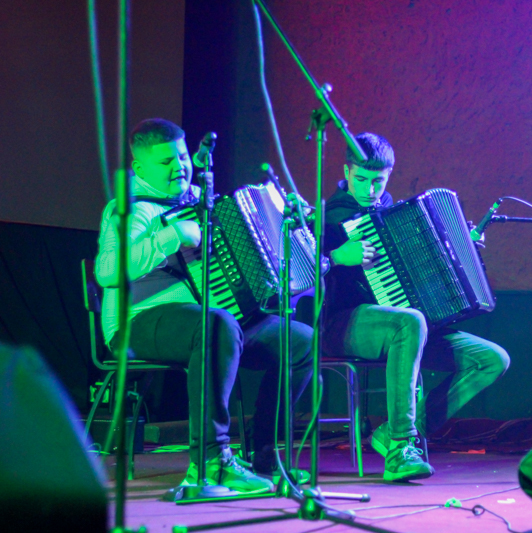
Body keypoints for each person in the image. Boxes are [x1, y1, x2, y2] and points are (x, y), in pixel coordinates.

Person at [95, 118, 312, 491]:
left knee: (303, 342)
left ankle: (263, 452)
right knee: (216, 325)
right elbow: (106, 271)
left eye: (181, 156)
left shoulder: (201, 199)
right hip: (140, 321)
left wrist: (291, 228)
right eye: (165, 162)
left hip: (211, 316)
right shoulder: (130, 209)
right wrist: (170, 235)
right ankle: (211, 460)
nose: (179, 165)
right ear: (139, 167)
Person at [322, 132, 510, 482]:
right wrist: (334, 257)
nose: (369, 189)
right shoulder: (329, 217)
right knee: (409, 321)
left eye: (378, 181)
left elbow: (424, 270)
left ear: (389, 175)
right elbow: (299, 270)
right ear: (346, 172)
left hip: (406, 327)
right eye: (360, 179)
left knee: (492, 360)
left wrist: (459, 248)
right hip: (343, 325)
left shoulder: (393, 212)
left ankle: (391, 432)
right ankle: (401, 445)